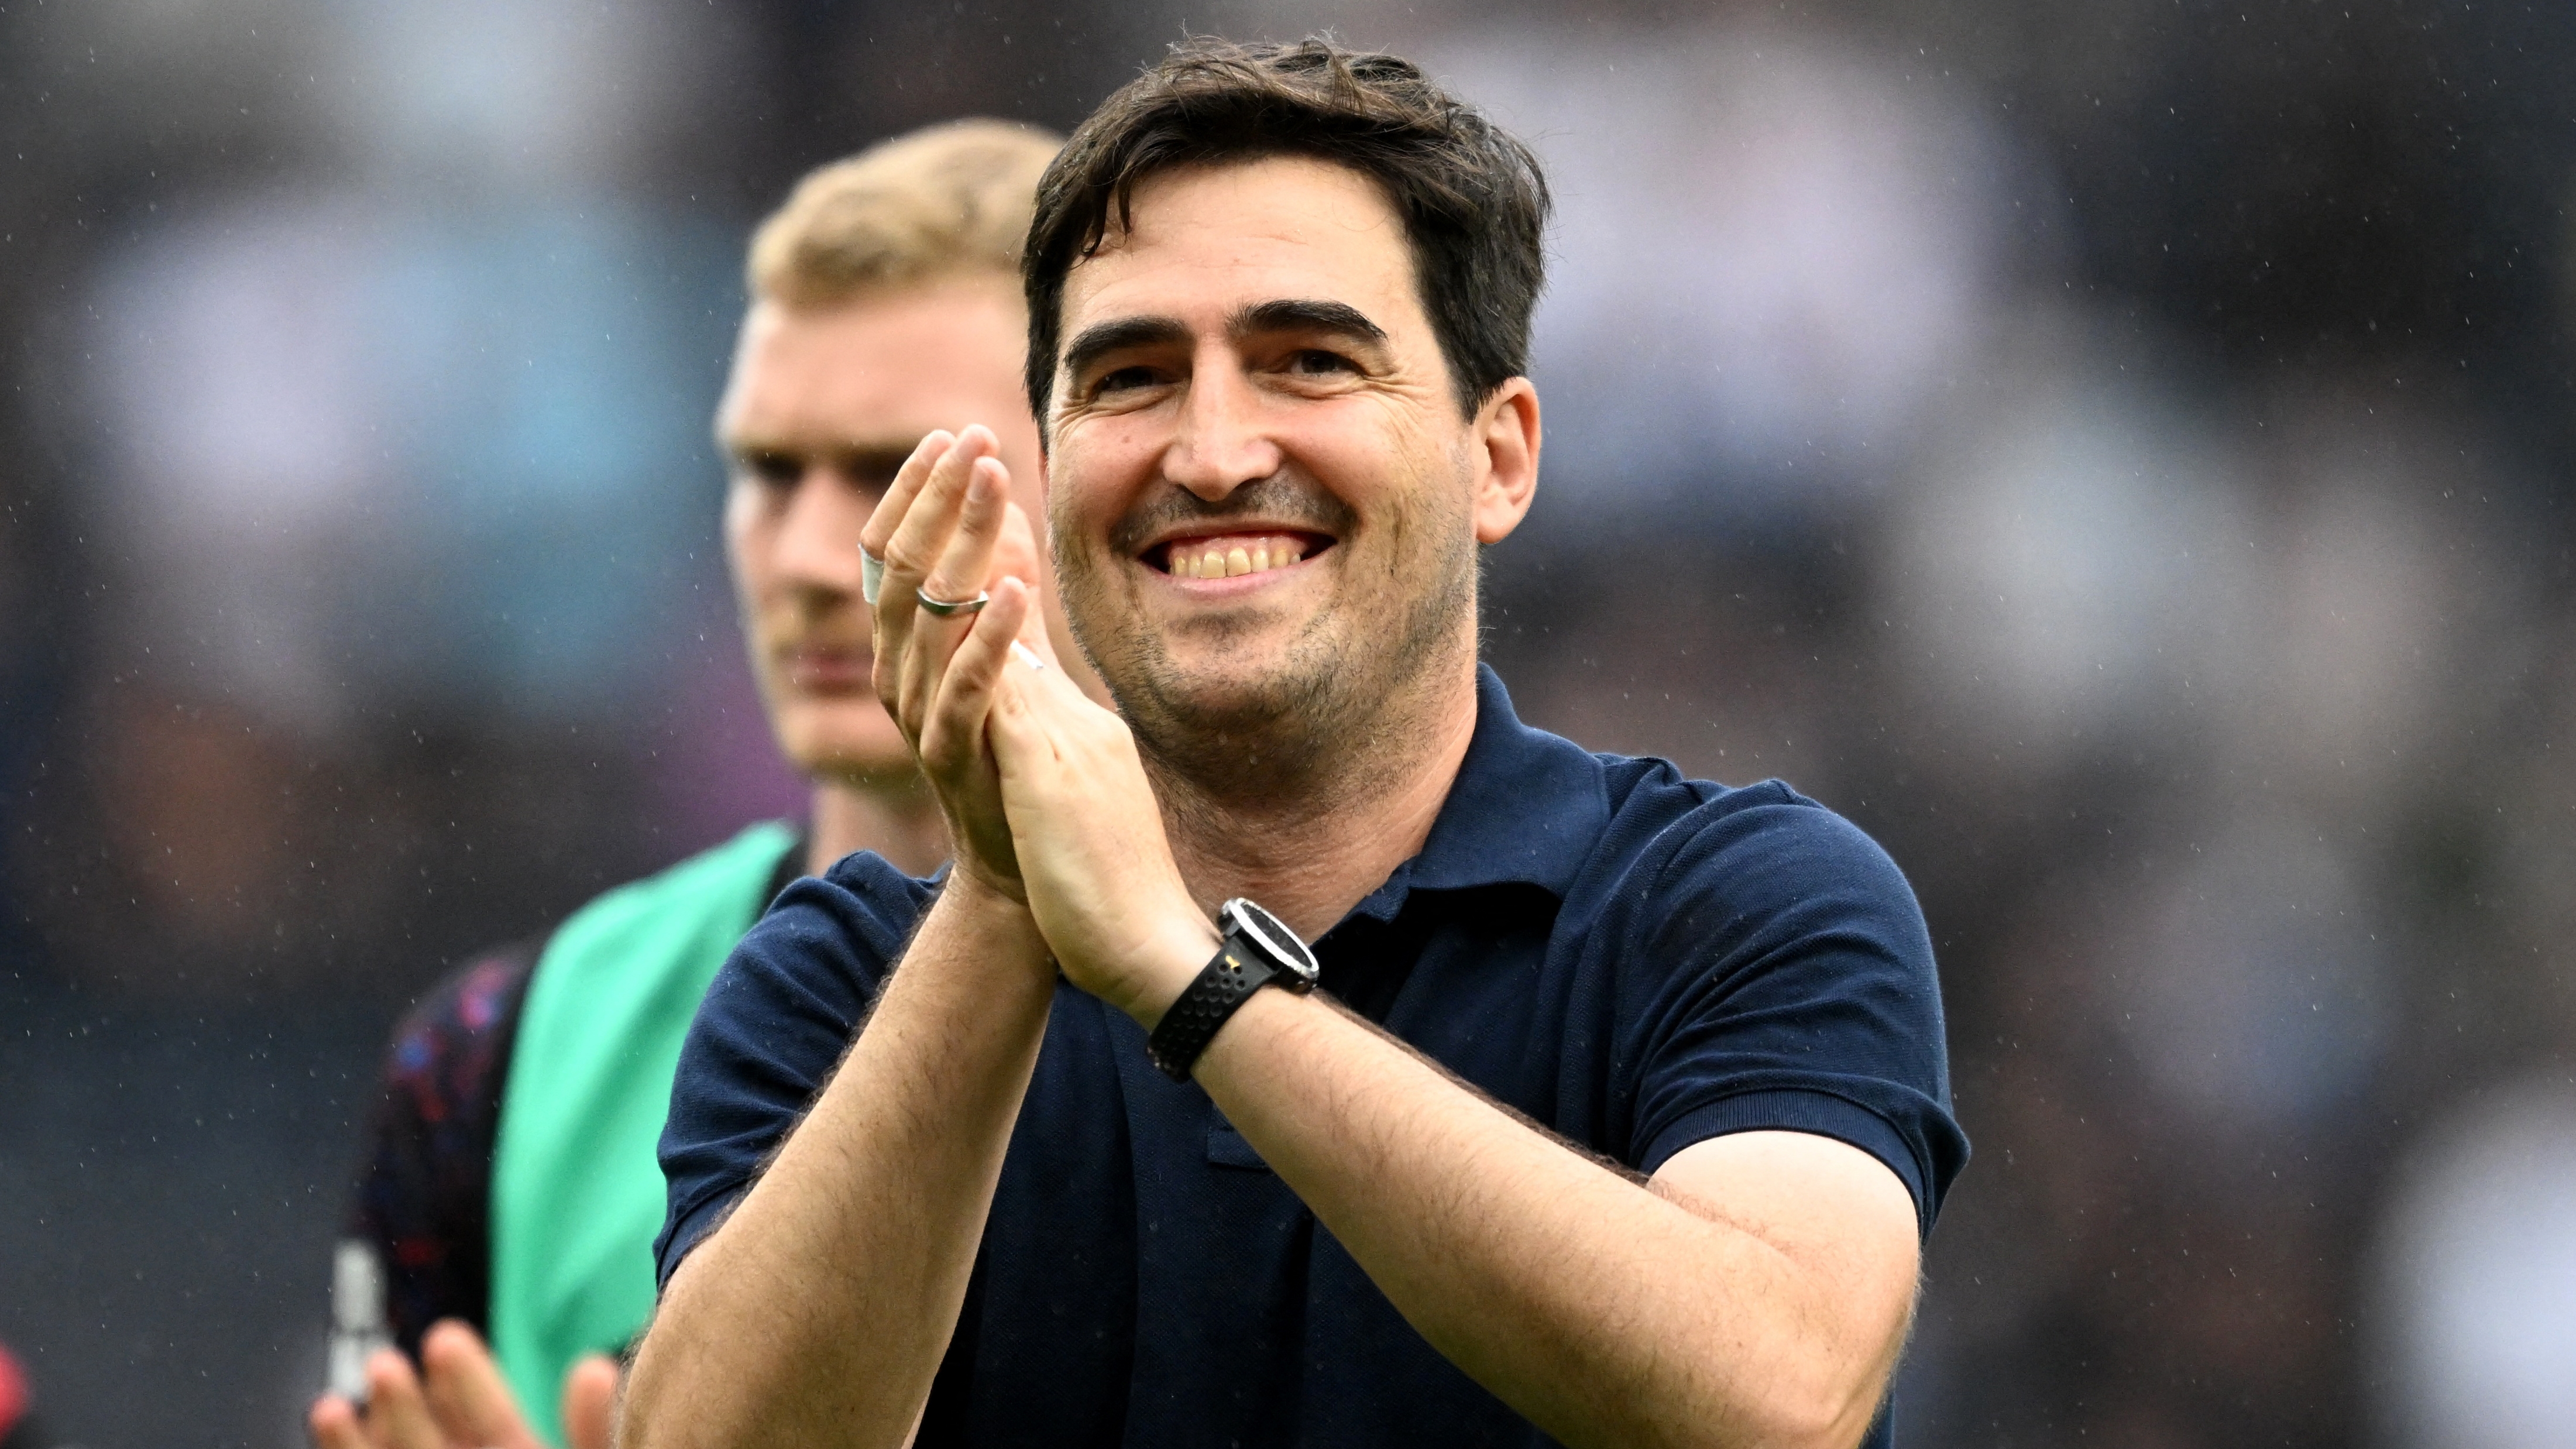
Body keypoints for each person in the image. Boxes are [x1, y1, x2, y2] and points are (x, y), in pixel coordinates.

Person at [627, 36, 1969, 1449]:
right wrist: (1009, 893)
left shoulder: (1733, 902)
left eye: (1309, 361)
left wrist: (1187, 978)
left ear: (1495, 456)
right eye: (1131, 377)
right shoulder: (842, 977)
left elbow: (1777, 1392)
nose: (1209, 453)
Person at [308, 116, 1086, 1449]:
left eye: (901, 472)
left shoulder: (1317, 1005)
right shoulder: (505, 1050)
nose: (803, 553)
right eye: (767, 470)